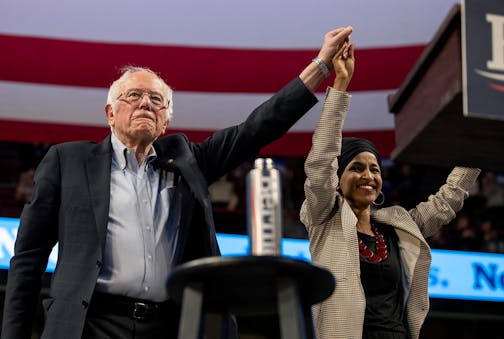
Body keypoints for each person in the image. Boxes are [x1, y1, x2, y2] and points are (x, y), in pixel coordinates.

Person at [1, 26, 354, 339]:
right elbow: (29, 258)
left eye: (157, 100)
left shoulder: (187, 160)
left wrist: (321, 66)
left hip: (170, 325)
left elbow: (258, 127)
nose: (145, 104)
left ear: (166, 121)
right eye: (133, 95)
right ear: (110, 113)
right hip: (90, 324)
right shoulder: (68, 161)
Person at [300, 37, 481, 339]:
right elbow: (320, 163)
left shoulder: (398, 226)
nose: (368, 175)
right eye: (356, 167)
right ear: (337, 178)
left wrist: (479, 142)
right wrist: (341, 84)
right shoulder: (323, 218)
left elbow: (447, 200)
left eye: (374, 168)